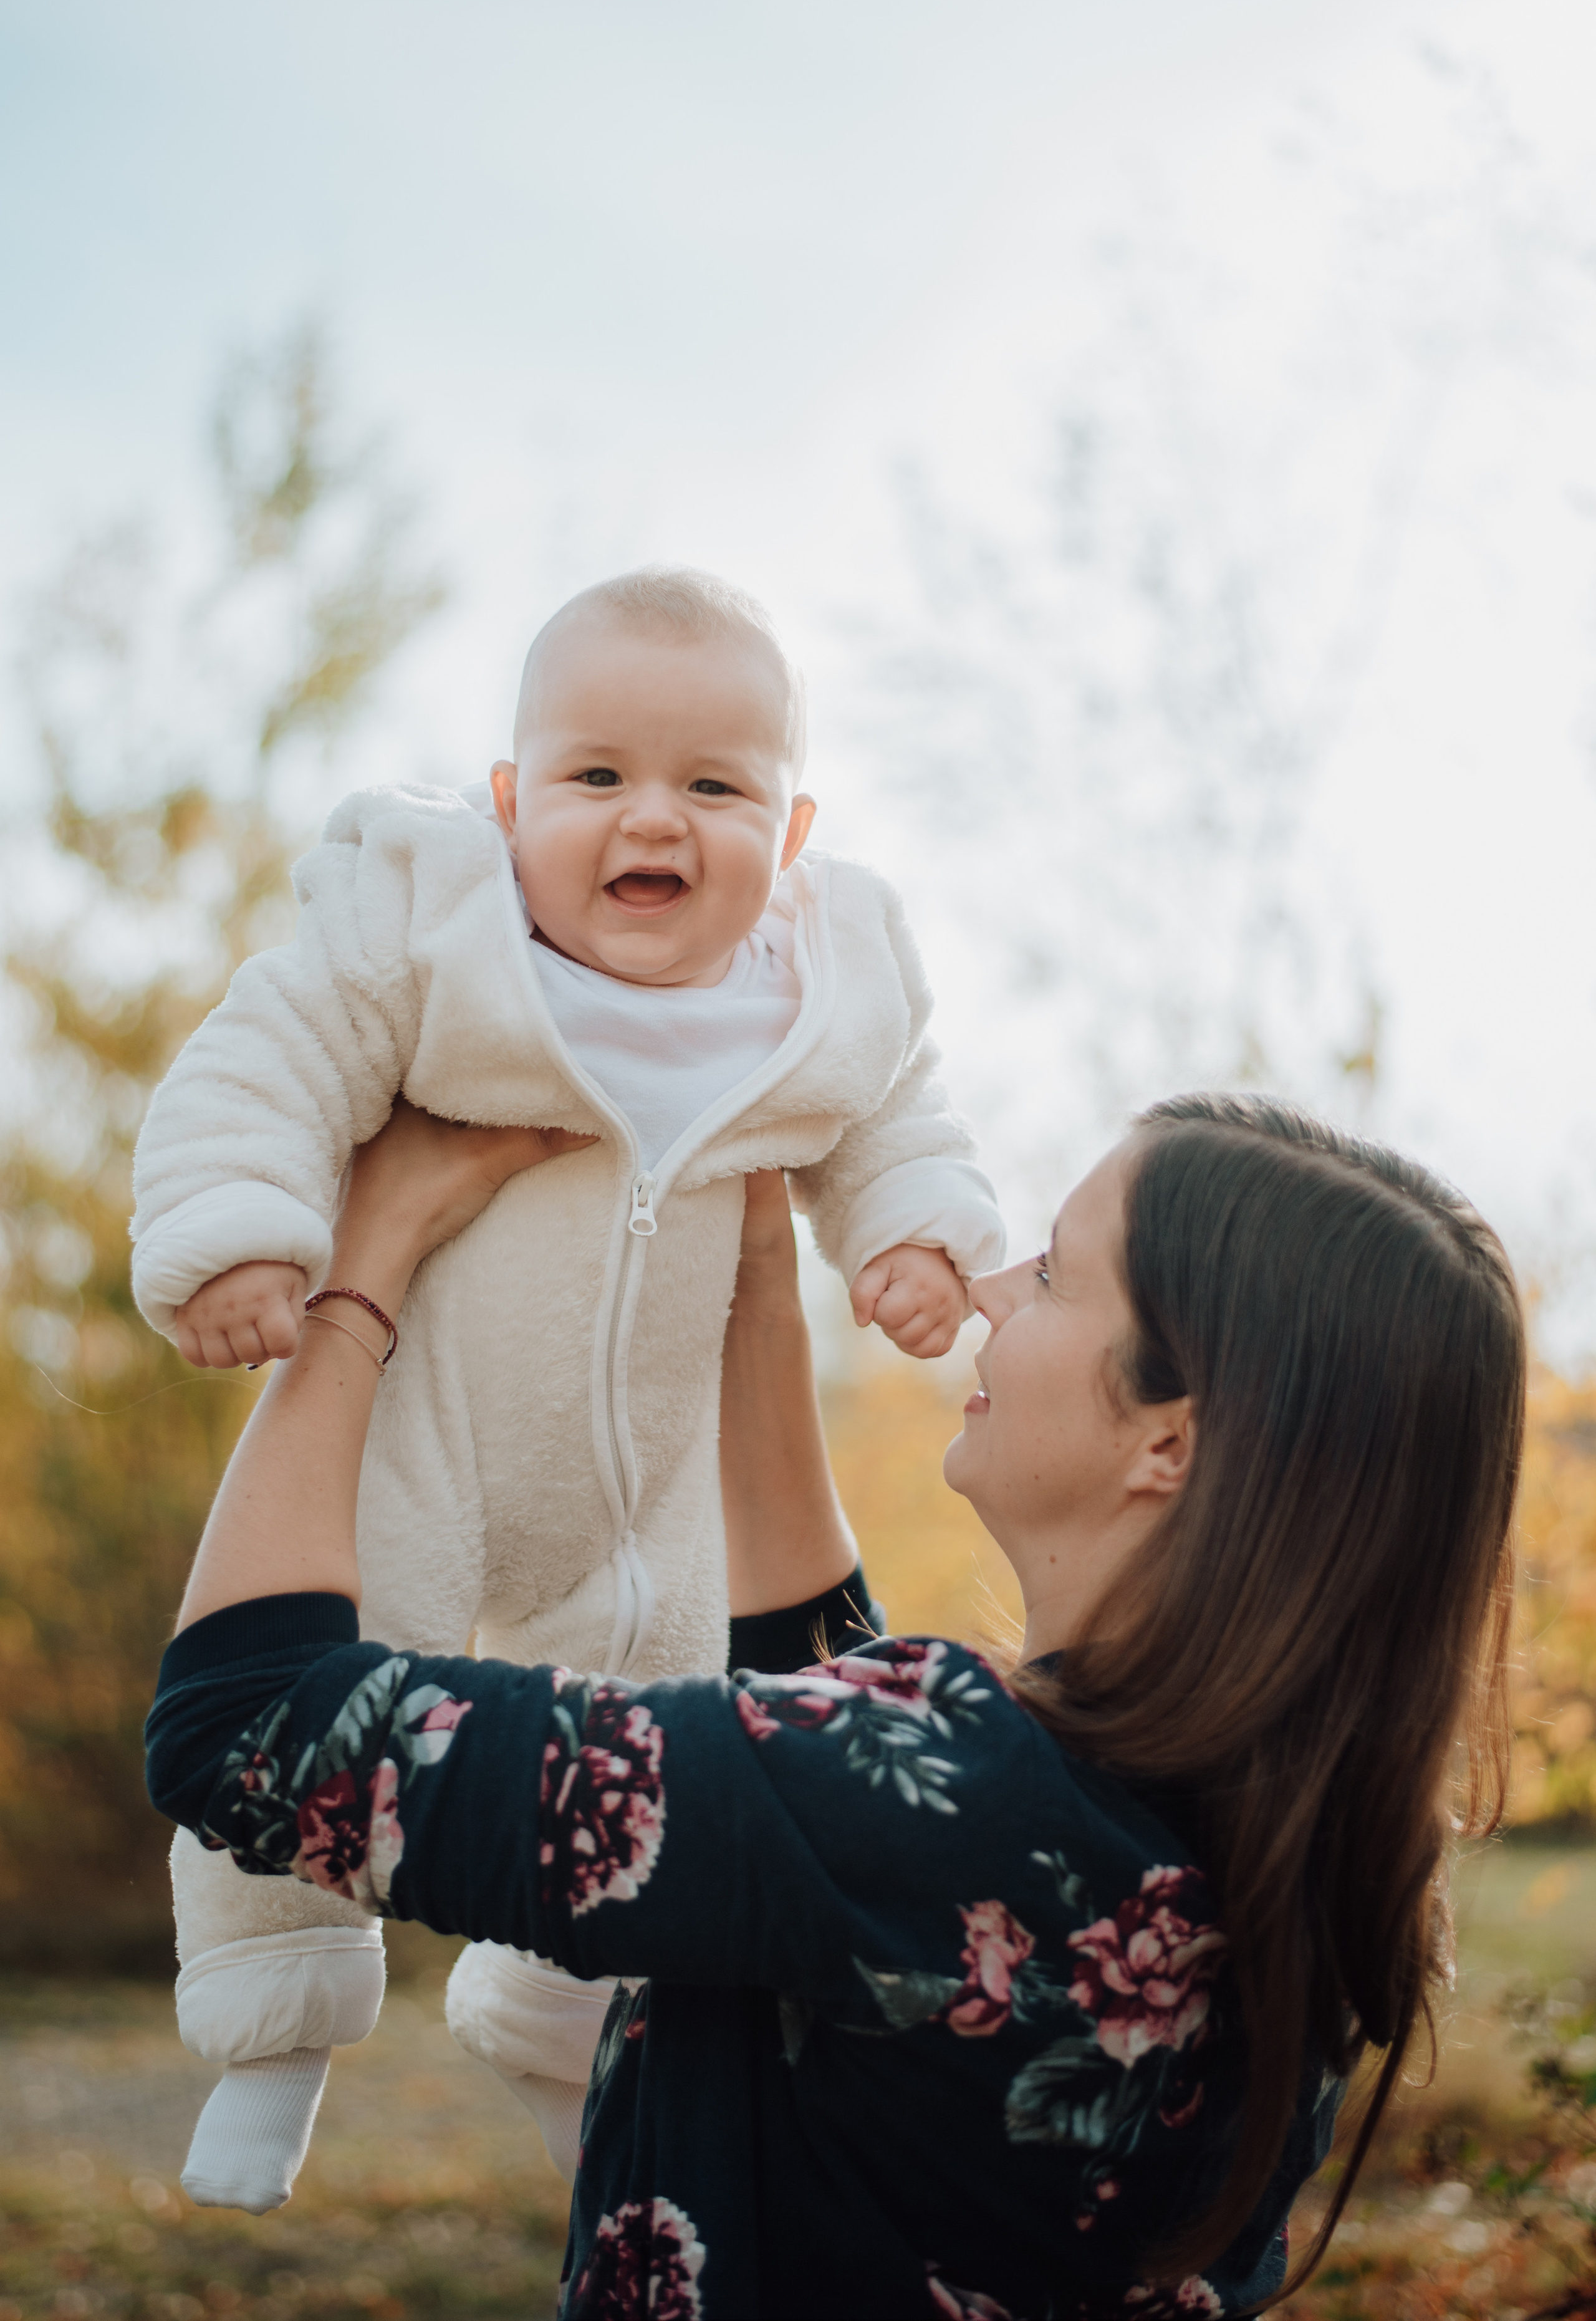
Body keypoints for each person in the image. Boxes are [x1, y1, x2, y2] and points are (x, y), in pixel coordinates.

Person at [146, 1090, 1524, 2318]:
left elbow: (250, 1727)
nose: (989, 1290)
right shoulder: (1283, 1836)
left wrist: (363, 1269)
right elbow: (851, 1792)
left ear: (1167, 1439)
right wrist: (753, 1287)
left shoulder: (933, 1796)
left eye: (1051, 1273)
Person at [127, 564, 1004, 2211]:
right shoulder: (433, 926)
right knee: (301, 1706)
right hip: (424, 1432)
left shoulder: (825, 984)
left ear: (793, 838)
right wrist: (244, 1232)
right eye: (597, 777)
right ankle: (273, 2036)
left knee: (649, 1775)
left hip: (648, 1493)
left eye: (713, 786)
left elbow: (904, 1119)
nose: (649, 818)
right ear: (513, 798)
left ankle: (556, 2027)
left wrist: (917, 1238)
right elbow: (270, 1054)